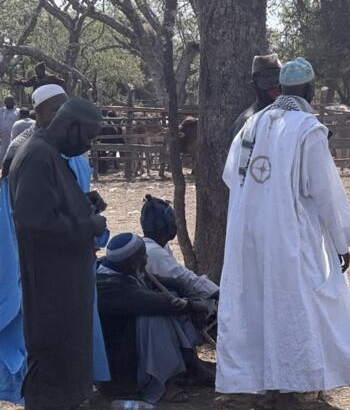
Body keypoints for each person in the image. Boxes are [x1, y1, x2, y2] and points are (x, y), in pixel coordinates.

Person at [218, 57, 350, 398]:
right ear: (309, 90)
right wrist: (340, 242)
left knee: (257, 302)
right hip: (289, 232)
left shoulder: (252, 125)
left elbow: (232, 177)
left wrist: (259, 205)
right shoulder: (308, 128)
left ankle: (262, 382)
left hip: (248, 234)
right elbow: (325, 193)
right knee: (295, 302)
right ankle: (297, 383)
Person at [0, 88, 110, 405]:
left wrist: (83, 203)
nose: (89, 144)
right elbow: (33, 221)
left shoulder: (52, 155)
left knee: (67, 369)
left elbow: (51, 205)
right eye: (88, 136)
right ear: (71, 127)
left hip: (64, 287)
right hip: (50, 290)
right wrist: (87, 225)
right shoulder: (36, 155)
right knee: (53, 372)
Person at [96, 233, 213, 405]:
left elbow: (168, 284)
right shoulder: (107, 285)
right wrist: (196, 306)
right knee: (155, 317)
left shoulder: (124, 269)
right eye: (143, 257)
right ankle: (162, 383)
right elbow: (160, 304)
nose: (146, 261)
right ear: (132, 262)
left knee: (171, 299)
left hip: (131, 353)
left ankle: (192, 367)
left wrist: (186, 294)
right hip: (120, 371)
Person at [141, 195, 218, 300]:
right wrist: (220, 294)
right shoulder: (154, 252)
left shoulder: (153, 246)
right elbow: (186, 279)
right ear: (169, 225)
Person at [229, 53, 282, 139]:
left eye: (278, 79)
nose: (275, 86)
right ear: (254, 85)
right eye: (267, 80)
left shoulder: (286, 115)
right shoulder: (247, 122)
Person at [0, 97, 17, 162]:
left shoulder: (17, 111)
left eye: (10, 100)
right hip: (3, 138)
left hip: (14, 137)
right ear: (4, 102)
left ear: (13, 101)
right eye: (7, 101)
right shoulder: (1, 111)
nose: (9, 102)